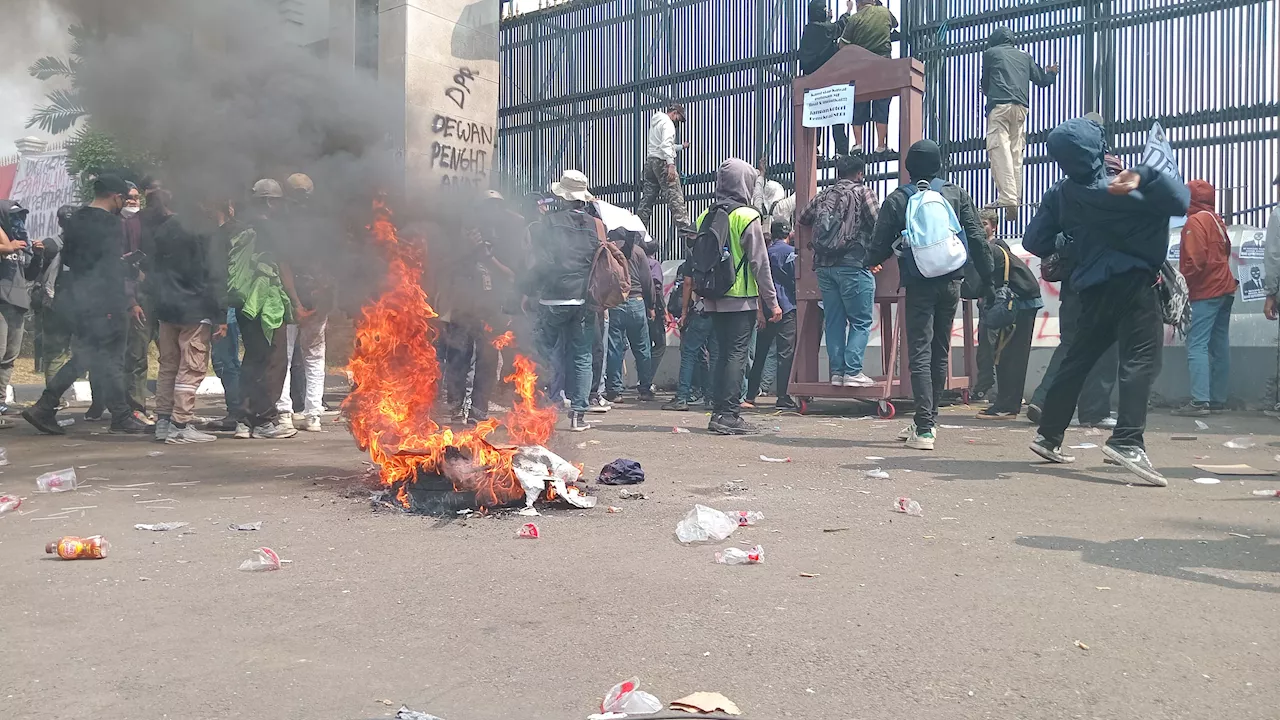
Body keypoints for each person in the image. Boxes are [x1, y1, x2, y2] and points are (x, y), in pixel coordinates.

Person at [1021, 118, 1189, 486]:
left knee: (1078, 359)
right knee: (1141, 359)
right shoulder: (1121, 184)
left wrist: (1074, 241)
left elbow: (1035, 241)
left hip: (1090, 289)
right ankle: (1127, 442)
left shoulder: (1061, 193)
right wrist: (1146, 172)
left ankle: (1049, 436)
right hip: (1134, 284)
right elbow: (1181, 200)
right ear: (1099, 149)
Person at [867, 140, 994, 450]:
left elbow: (879, 244)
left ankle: (924, 427)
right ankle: (928, 420)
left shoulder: (899, 199)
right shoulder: (954, 193)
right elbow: (976, 237)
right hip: (952, 281)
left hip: (919, 282)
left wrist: (872, 261)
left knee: (919, 353)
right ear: (939, 165)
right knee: (940, 350)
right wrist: (989, 278)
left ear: (908, 167)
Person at [22, 175, 149, 435]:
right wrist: (129, 271)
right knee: (112, 359)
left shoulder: (76, 219)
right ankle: (121, 416)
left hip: (81, 299)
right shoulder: (111, 224)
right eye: (123, 198)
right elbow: (110, 265)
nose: (124, 203)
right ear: (115, 196)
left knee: (87, 357)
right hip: (107, 300)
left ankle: (45, 407)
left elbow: (70, 257)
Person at [1025, 152, 1125, 430]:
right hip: (1110, 283)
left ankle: (1044, 401)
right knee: (1106, 345)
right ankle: (1094, 411)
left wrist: (1065, 242)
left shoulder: (1062, 191)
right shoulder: (1121, 193)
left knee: (1070, 343)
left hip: (1075, 283)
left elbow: (1033, 239)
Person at [697, 158, 781, 435]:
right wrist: (772, 302)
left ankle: (718, 411)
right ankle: (729, 414)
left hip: (712, 297)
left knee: (721, 354)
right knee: (737, 355)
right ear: (744, 183)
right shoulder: (747, 217)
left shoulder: (705, 216)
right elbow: (760, 264)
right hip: (740, 298)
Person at [524, 170, 606, 432]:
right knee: (582, 355)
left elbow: (541, 262)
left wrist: (528, 291)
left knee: (542, 351)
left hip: (552, 298)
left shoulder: (549, 223)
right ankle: (578, 415)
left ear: (563, 196)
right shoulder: (597, 225)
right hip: (583, 299)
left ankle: (539, 407)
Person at [147, 190, 227, 444]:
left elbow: (152, 270)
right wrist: (220, 314)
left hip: (166, 309)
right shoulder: (205, 230)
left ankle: (163, 421)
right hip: (195, 308)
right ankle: (180, 424)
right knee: (191, 367)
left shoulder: (164, 229)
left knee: (168, 365)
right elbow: (214, 274)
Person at [797, 153, 880, 388]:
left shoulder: (825, 195)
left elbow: (803, 218)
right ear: (860, 173)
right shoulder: (864, 192)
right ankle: (853, 372)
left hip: (824, 267)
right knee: (861, 321)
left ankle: (837, 373)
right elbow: (879, 223)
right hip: (853, 265)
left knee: (834, 321)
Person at [226, 179, 298, 440]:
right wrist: (296, 302)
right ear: (269, 201)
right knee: (274, 359)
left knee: (252, 357)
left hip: (245, 302)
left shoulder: (236, 226)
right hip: (268, 302)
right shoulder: (271, 228)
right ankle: (265, 421)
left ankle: (243, 421)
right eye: (278, 201)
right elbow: (284, 267)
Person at [274, 173, 334, 432]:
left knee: (284, 356)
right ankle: (313, 415)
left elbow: (284, 266)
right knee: (314, 357)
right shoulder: (322, 224)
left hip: (292, 298)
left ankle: (285, 413)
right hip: (316, 297)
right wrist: (322, 299)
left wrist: (295, 301)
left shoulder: (281, 224)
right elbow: (328, 266)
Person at [981, 26, 1060, 221]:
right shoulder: (1025, 56)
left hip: (999, 106)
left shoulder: (991, 53)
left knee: (999, 148)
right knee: (1016, 153)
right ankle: (1014, 197)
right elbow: (1041, 80)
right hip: (1021, 108)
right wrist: (1051, 73)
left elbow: (985, 83)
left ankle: (1007, 198)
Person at [1173, 180, 1237, 416]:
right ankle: (1218, 398)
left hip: (1206, 291)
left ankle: (1200, 401)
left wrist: (1182, 283)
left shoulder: (1195, 221)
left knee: (1196, 344)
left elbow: (1194, 261)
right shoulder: (1215, 220)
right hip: (1225, 288)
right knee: (1219, 344)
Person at [976, 218, 1043, 419]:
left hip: (1019, 305)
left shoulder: (993, 250)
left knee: (1011, 356)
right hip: (1019, 304)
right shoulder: (994, 249)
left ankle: (1008, 404)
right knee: (1006, 355)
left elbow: (973, 285)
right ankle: (1006, 402)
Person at [0, 200, 59, 418]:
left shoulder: (19, 241)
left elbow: (31, 275)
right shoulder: (5, 241)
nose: (18, 221)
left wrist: (37, 255)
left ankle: (0, 402)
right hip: (1, 303)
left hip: (17, 303)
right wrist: (7, 247)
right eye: (13, 216)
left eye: (20, 216)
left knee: (9, 356)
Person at [746, 221, 798, 409]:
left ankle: (750, 396)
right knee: (785, 353)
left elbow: (759, 282)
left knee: (760, 353)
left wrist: (760, 311)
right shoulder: (790, 252)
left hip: (767, 308)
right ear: (788, 233)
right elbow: (795, 278)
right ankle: (783, 396)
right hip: (788, 307)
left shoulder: (764, 253)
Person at [604, 226, 657, 402]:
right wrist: (651, 305)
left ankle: (615, 390)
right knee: (642, 348)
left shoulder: (609, 250)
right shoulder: (639, 252)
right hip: (637, 301)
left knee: (615, 348)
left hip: (615, 302)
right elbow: (647, 281)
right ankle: (645, 389)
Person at [839, 0, 899, 154]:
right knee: (882, 103)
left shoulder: (854, 19)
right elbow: (895, 24)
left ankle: (858, 144)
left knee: (859, 103)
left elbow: (843, 44)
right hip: (883, 64)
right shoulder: (884, 12)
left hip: (861, 66)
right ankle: (880, 145)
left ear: (858, 3)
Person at [636, 103, 695, 241]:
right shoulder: (668, 123)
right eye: (679, 118)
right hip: (662, 163)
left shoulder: (656, 122)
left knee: (647, 199)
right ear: (674, 113)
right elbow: (666, 144)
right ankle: (685, 229)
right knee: (675, 196)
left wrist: (681, 147)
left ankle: (637, 230)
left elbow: (662, 145)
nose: (678, 122)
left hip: (650, 162)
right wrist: (671, 164)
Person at [799, 0, 850, 156]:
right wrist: (847, 11)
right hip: (829, 78)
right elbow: (837, 28)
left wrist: (827, 19)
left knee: (817, 117)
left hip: (812, 81)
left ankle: (815, 150)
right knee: (837, 113)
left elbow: (826, 32)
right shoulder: (821, 29)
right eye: (825, 10)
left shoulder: (809, 29)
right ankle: (841, 150)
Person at [663, 256, 713, 412]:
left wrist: (684, 312)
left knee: (689, 352)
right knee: (714, 354)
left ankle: (683, 396)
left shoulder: (695, 257)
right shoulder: (723, 254)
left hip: (700, 311)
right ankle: (710, 397)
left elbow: (688, 284)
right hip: (721, 310)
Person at [971, 211, 1001, 402]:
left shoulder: (998, 247)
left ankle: (985, 388)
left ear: (993, 226)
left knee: (990, 347)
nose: (982, 228)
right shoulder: (980, 248)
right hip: (987, 304)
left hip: (996, 304)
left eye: (984, 224)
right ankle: (986, 386)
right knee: (985, 347)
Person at [645, 241, 668, 394]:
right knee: (660, 344)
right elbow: (657, 289)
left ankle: (643, 379)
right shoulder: (654, 265)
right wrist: (663, 310)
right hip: (652, 309)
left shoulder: (633, 260)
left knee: (643, 346)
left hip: (637, 306)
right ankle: (647, 379)